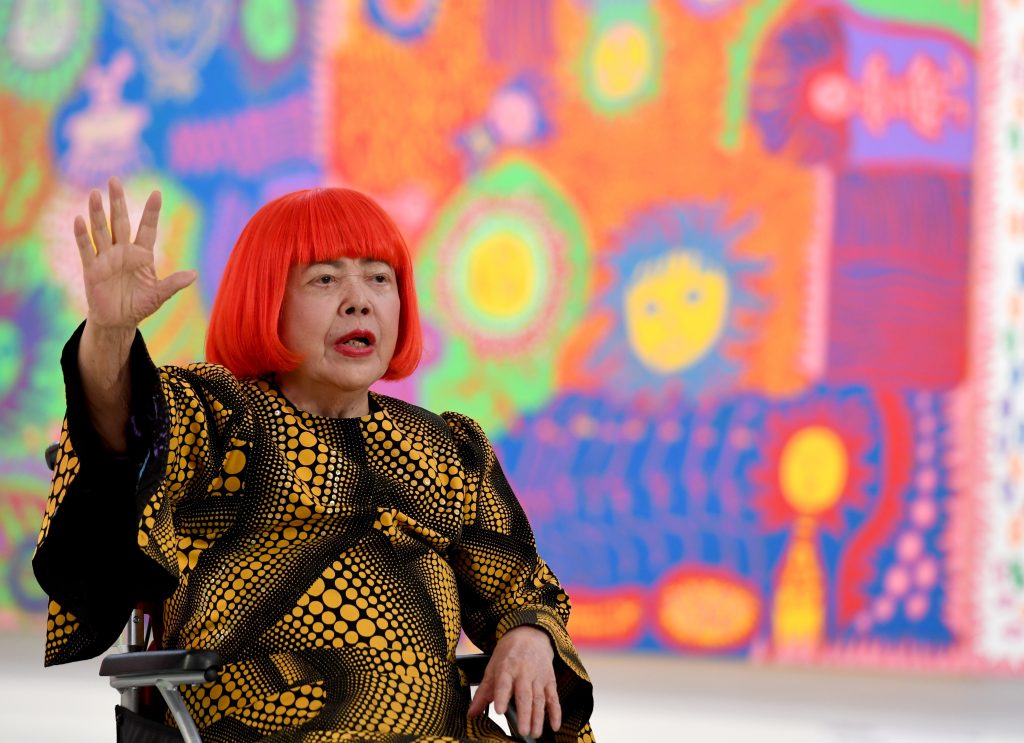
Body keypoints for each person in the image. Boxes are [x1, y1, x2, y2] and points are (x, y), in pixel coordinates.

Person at [33, 178, 596, 743]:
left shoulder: (445, 448)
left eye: (380, 278)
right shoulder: (222, 417)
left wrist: (529, 633)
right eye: (324, 279)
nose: (360, 299)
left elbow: (521, 587)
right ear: (266, 299)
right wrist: (110, 335)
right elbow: (123, 434)